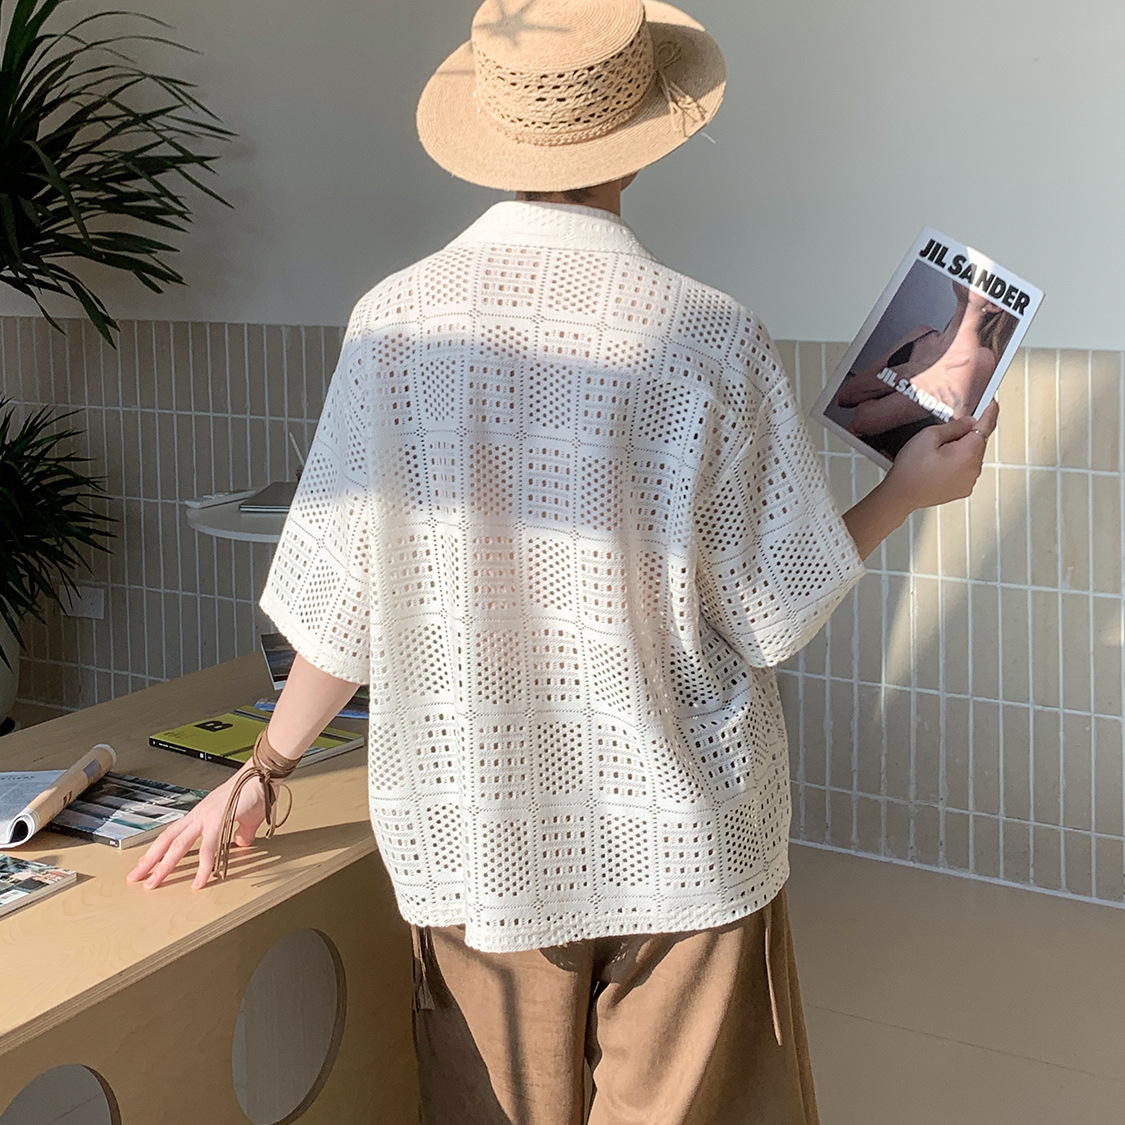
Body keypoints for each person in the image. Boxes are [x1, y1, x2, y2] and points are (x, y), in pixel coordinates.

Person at [128, 2, 998, 1121]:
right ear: (641, 143)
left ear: (495, 135)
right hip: (684, 839)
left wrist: (264, 769)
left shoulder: (391, 326)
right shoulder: (707, 333)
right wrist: (906, 492)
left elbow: (345, 606)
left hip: (476, 837)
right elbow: (771, 612)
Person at [835, 278, 1016, 459]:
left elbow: (863, 421)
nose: (970, 275)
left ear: (994, 305)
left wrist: (876, 388)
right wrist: (911, 370)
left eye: (981, 278)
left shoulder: (979, 360)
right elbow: (845, 395)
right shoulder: (921, 333)